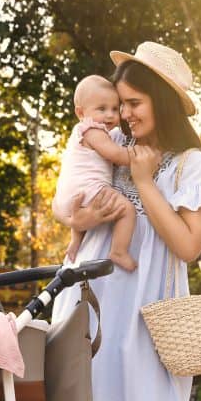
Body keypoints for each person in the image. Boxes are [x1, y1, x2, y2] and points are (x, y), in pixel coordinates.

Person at [51, 41, 201, 401]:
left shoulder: (192, 165)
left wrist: (144, 181)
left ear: (162, 102)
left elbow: (189, 247)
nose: (123, 113)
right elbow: (70, 198)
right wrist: (83, 215)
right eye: (120, 103)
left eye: (134, 103)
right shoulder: (110, 140)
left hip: (152, 311)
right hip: (97, 300)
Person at [53, 75, 137, 271]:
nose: (110, 115)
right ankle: (118, 251)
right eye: (102, 109)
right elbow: (116, 154)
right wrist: (138, 155)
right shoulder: (93, 131)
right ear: (81, 113)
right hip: (88, 189)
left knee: (83, 207)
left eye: (115, 109)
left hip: (71, 194)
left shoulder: (80, 132)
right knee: (127, 210)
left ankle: (75, 243)